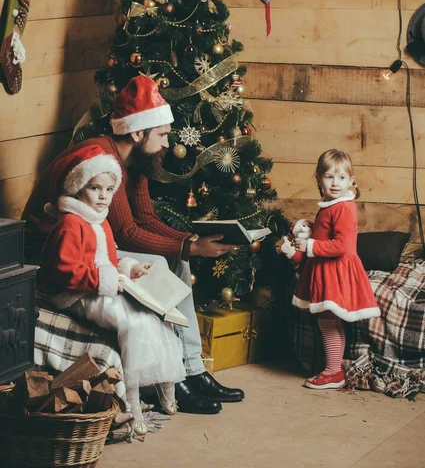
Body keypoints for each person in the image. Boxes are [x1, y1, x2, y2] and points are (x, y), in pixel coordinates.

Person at [22, 74, 244, 414]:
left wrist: (190, 242)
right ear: (137, 132)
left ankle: (192, 369)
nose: (168, 143)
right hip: (56, 249)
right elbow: (127, 233)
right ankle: (179, 378)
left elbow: (147, 220)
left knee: (178, 261)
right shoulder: (102, 159)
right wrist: (189, 249)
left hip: (93, 240)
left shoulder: (137, 161)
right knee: (163, 262)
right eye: (163, 135)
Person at [39, 144, 186, 435]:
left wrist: (128, 268)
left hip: (103, 285)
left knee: (156, 317)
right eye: (95, 188)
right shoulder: (71, 223)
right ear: (79, 188)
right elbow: (65, 270)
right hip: (78, 294)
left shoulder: (99, 219)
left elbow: (108, 256)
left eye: (109, 189)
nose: (103, 196)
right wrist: (103, 281)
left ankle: (166, 385)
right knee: (131, 324)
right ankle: (131, 402)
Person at [281, 149, 381, 390]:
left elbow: (343, 244)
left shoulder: (344, 207)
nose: (335, 183)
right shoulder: (330, 205)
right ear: (318, 179)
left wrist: (310, 245)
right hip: (326, 270)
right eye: (329, 177)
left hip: (336, 272)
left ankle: (333, 372)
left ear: (352, 180)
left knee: (328, 322)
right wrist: (312, 227)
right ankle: (333, 369)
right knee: (329, 322)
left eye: (342, 177)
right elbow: (330, 231)